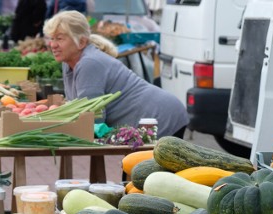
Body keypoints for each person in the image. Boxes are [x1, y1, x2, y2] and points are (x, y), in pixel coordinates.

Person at [44, 11, 189, 137]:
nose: (53, 45)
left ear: (81, 42)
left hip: (160, 117)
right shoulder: (68, 63)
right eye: (52, 38)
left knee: (142, 169)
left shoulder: (89, 63)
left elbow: (92, 120)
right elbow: (76, 106)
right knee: (134, 168)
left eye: (60, 38)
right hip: (151, 118)